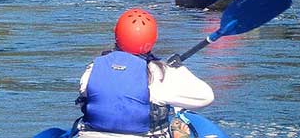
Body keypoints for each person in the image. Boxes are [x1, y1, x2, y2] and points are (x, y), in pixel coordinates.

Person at [74, 9, 214, 138]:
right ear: (153, 39)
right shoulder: (160, 73)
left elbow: (87, 93)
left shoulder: (93, 68)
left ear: (116, 34)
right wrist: (179, 68)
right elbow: (206, 97)